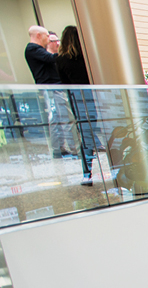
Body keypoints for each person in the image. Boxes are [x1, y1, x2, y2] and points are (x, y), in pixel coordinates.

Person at [55, 26, 99, 185]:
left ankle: (87, 173)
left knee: (85, 137)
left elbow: (64, 84)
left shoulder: (60, 60)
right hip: (96, 99)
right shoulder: (88, 57)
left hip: (79, 102)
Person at [26, 26, 76, 159]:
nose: (48, 40)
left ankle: (61, 148)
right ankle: (69, 149)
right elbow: (50, 58)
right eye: (47, 36)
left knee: (58, 119)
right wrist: (66, 54)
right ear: (38, 35)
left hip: (53, 87)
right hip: (51, 88)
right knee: (61, 119)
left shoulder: (37, 50)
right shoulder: (33, 49)